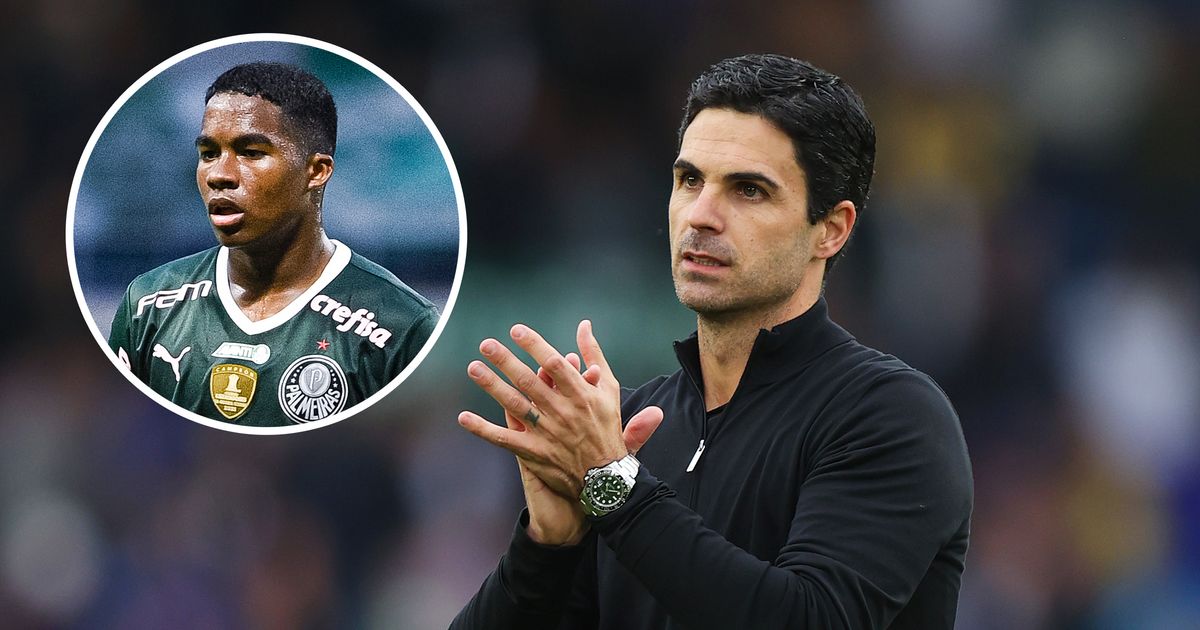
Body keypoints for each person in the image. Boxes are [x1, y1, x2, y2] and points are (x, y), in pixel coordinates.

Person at [452, 54, 973, 629]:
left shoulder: (889, 415)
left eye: (748, 190)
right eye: (689, 179)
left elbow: (810, 619)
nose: (701, 215)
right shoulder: (632, 429)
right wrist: (547, 548)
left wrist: (611, 485)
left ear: (831, 229)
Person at [109, 62, 438, 427]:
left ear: (316, 171)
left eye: (250, 152)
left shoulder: (400, 324)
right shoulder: (147, 303)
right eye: (208, 153)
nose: (220, 174)